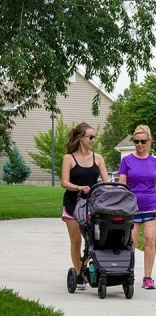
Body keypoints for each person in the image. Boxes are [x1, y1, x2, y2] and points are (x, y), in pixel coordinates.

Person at [61, 122, 109, 289]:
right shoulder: (69, 158)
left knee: (92, 241)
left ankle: (84, 268)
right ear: (81, 138)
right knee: (76, 241)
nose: (93, 140)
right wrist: (79, 188)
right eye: (90, 137)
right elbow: (64, 183)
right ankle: (79, 272)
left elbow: (106, 182)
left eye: (94, 137)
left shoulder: (98, 158)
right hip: (73, 205)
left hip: (92, 205)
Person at [118, 125, 156, 290]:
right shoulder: (127, 161)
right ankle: (127, 274)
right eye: (136, 141)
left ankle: (148, 277)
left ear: (149, 141)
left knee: (149, 241)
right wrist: (121, 207)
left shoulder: (154, 162)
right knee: (131, 243)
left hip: (151, 207)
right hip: (132, 209)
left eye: (143, 141)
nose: (139, 144)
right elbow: (121, 186)